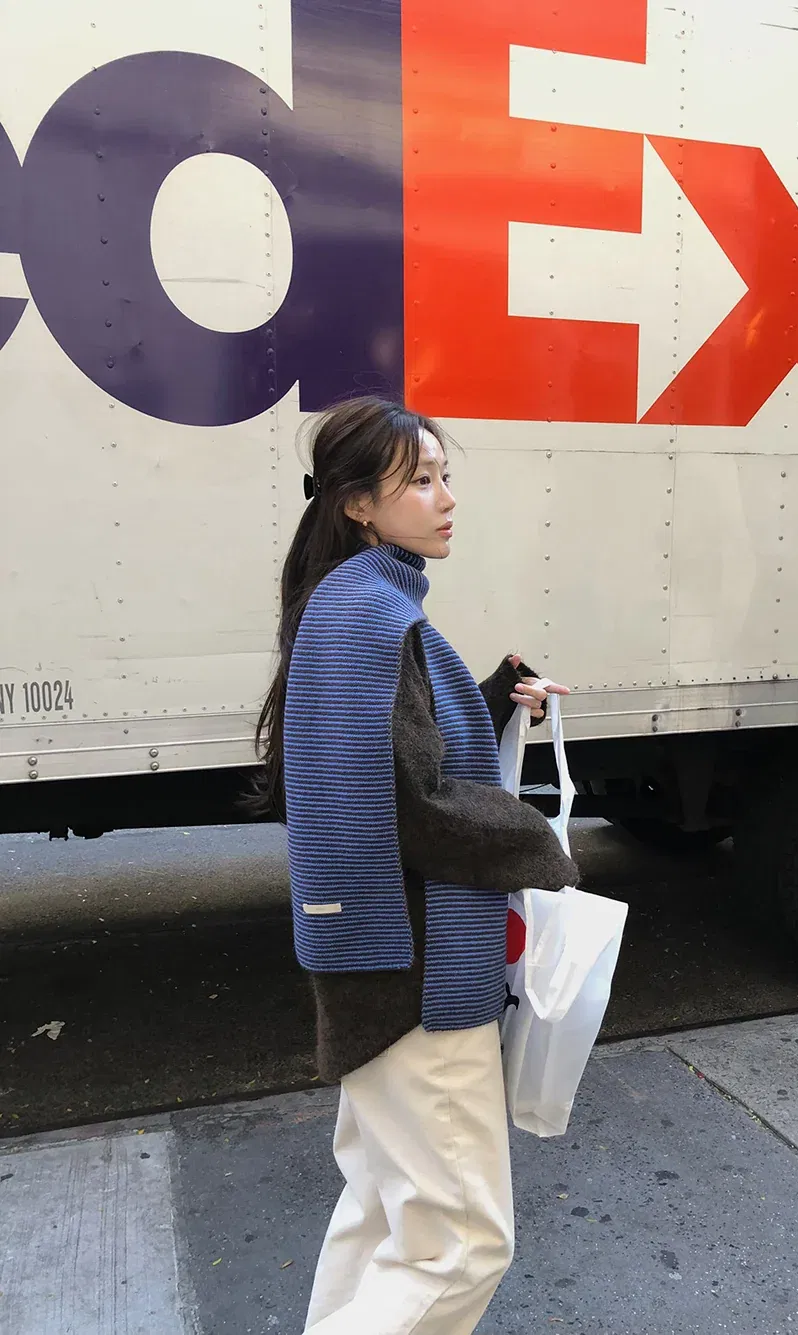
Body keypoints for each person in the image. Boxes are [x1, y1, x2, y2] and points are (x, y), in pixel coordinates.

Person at [255, 396, 578, 1334]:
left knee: (383, 1215)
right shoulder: (370, 614)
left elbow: (393, 757)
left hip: (383, 970)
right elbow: (415, 805)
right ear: (358, 502)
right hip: (417, 978)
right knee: (462, 1244)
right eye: (422, 480)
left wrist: (495, 699)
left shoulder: (354, 603)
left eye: (445, 477)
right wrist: (544, 848)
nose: (446, 498)